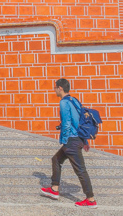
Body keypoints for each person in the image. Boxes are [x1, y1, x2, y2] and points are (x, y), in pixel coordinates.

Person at [40, 78, 96, 208]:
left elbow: (66, 123)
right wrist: (85, 140)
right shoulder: (74, 100)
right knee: (56, 159)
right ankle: (54, 189)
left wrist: (64, 140)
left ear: (60, 88)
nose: (54, 90)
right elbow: (81, 122)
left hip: (71, 140)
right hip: (77, 139)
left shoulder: (64, 103)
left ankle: (91, 200)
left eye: (55, 88)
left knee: (81, 170)